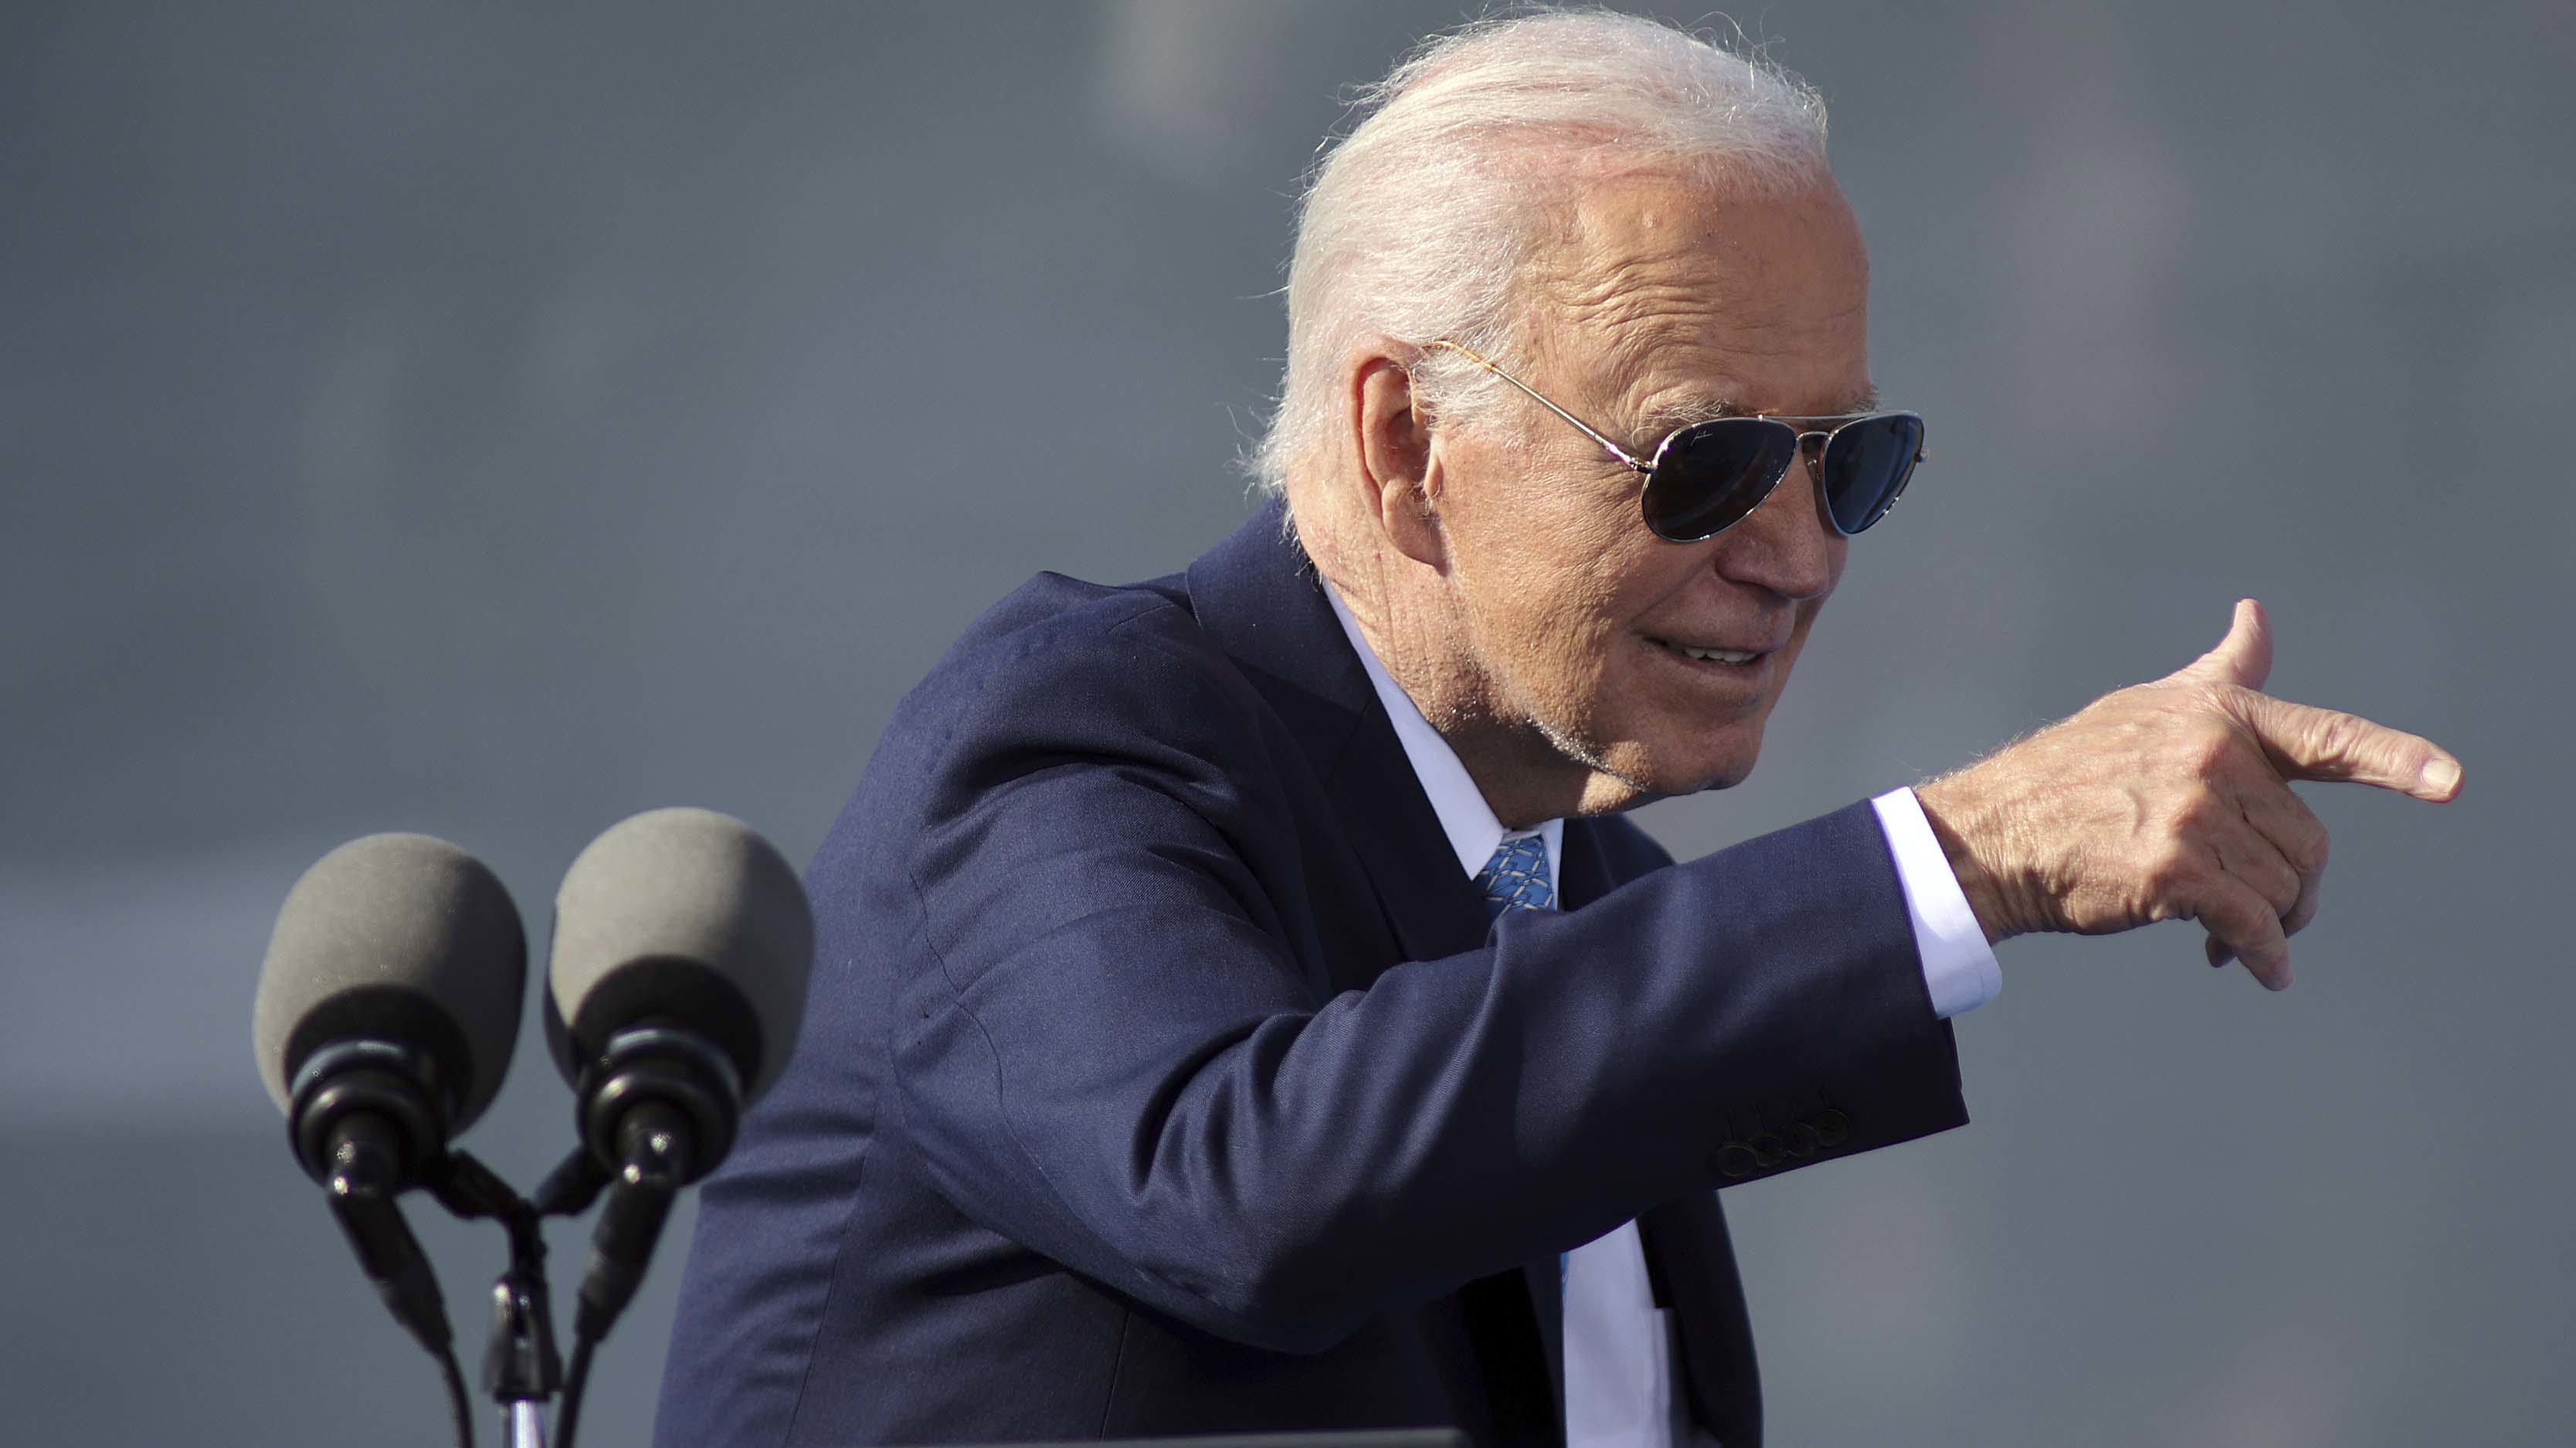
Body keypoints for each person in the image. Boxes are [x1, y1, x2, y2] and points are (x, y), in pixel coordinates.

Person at [653, 11, 2460, 1447]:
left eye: (1853, 460)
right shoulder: (1079, 750)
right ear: (1403, 443)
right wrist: (1964, 853)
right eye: (1710, 459)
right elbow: (1248, 1183)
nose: (1803, 552)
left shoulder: (1583, 893)